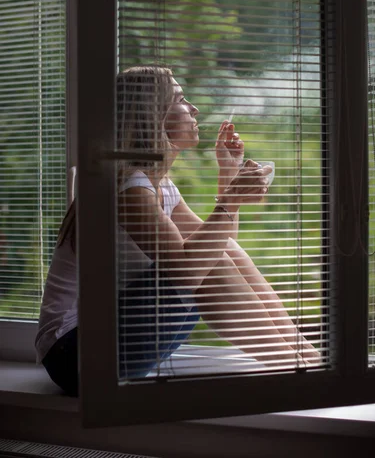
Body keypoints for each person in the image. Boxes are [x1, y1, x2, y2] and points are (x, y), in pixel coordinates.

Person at [35, 65, 318, 395]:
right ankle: (304, 372)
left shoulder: (159, 185)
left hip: (109, 337)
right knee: (207, 263)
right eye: (182, 99)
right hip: (74, 354)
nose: (194, 109)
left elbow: (221, 246)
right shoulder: (129, 187)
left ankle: (310, 361)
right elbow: (188, 270)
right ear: (152, 115)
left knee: (223, 253)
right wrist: (231, 199)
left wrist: (228, 174)